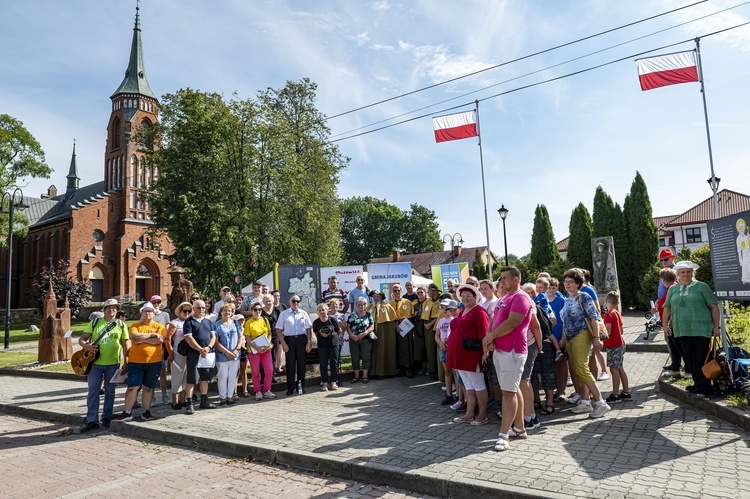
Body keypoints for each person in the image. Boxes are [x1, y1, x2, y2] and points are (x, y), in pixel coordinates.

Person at [483, 266, 535, 451]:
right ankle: (519, 428)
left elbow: (513, 322)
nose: (502, 281)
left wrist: (490, 336)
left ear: (516, 279)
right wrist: (491, 339)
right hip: (501, 350)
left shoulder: (520, 297)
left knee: (508, 393)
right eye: (501, 278)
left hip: (513, 351)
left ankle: (503, 435)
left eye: (505, 278)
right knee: (512, 389)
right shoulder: (505, 298)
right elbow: (495, 321)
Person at [661, 260, 721, 398]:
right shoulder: (673, 289)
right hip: (681, 329)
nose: (686, 274)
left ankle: (705, 387)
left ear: (692, 273)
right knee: (689, 359)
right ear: (678, 274)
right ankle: (697, 384)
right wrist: (665, 326)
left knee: (701, 358)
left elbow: (713, 306)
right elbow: (667, 308)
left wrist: (716, 327)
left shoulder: (701, 287)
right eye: (683, 272)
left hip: (701, 328)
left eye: (688, 271)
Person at [559, 269, 611, 418]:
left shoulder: (584, 296)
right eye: (566, 281)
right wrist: (563, 339)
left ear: (578, 283)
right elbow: (565, 321)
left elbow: (594, 317)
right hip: (569, 337)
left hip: (581, 335)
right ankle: (585, 402)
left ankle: (600, 402)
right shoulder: (567, 299)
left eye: (571, 282)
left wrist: (596, 338)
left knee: (582, 367)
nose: (567, 284)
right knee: (576, 369)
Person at [78, 299, 129, 432]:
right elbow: (82, 339)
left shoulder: (121, 325)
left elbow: (125, 344)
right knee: (93, 391)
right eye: (109, 307)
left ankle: (106, 417)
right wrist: (86, 345)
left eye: (114, 308)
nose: (111, 310)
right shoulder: (95, 322)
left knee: (110, 391)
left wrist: (126, 361)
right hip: (94, 363)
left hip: (113, 363)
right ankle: (92, 420)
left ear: (117, 310)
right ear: (104, 309)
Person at [114, 302, 166, 422]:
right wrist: (152, 335)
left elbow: (159, 341)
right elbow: (134, 336)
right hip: (135, 362)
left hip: (154, 361)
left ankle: (146, 412)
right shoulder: (135, 325)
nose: (148, 313)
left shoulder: (159, 326)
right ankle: (127, 412)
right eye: (145, 311)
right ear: (141, 312)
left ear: (154, 313)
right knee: (133, 387)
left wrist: (141, 340)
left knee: (148, 388)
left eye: (150, 311)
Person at [446, 283, 489, 425]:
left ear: (475, 297)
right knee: (468, 386)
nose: (465, 298)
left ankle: (482, 415)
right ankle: (469, 413)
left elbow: (484, 334)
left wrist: (485, 352)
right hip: (459, 355)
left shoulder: (479, 311)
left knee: (478, 385)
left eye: (468, 296)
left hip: (471, 355)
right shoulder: (463, 311)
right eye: (463, 296)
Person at [182, 299, 217, 414]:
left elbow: (213, 337)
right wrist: (200, 349)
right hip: (194, 354)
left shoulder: (208, 321)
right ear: (193, 308)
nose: (202, 310)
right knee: (192, 379)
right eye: (199, 308)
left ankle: (204, 401)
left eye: (203, 308)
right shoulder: (189, 322)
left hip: (206, 354)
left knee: (205, 378)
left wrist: (208, 348)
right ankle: (190, 403)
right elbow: (188, 338)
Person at [655, 249, 685, 377]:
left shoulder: (677, 272)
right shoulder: (664, 272)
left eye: (666, 259)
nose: (663, 262)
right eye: (661, 260)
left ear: (673, 258)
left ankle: (678, 365)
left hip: (672, 312)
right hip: (664, 309)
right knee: (669, 340)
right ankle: (675, 363)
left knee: (674, 340)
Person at [276, 294, 313, 395]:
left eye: (298, 301)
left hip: (302, 339)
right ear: (289, 302)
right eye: (294, 301)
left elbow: (309, 329)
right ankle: (290, 387)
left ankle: (300, 387)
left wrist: (309, 342)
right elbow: (278, 329)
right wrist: (283, 343)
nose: (296, 303)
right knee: (290, 365)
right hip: (289, 340)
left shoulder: (304, 313)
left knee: (301, 365)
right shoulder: (284, 314)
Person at [602, 291, 631, 403]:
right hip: (621, 344)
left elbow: (607, 332)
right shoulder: (617, 313)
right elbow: (621, 330)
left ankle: (615, 394)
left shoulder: (608, 315)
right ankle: (626, 392)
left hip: (613, 345)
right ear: (617, 303)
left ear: (606, 302)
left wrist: (600, 336)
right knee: (620, 368)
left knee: (614, 370)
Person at [213, 303, 244, 406]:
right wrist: (226, 352)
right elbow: (216, 342)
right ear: (221, 312)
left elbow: (240, 337)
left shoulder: (235, 323)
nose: (227, 313)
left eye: (229, 311)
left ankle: (230, 397)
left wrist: (237, 350)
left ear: (231, 313)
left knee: (232, 376)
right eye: (224, 311)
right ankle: (222, 398)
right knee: (223, 376)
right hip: (222, 356)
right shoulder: (216, 325)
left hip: (235, 355)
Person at [245, 302, 276, 400]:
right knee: (255, 372)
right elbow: (247, 338)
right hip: (253, 351)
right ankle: (258, 391)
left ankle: (267, 390)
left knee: (269, 370)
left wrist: (268, 343)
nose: (258, 311)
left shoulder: (265, 320)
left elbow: (270, 333)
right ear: (252, 311)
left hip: (265, 350)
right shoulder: (248, 322)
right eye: (255, 310)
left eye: (259, 309)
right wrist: (256, 347)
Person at [166, 301, 191, 409]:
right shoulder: (175, 322)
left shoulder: (191, 322)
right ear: (180, 311)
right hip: (177, 353)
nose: (187, 313)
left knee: (186, 378)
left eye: (189, 311)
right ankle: (174, 401)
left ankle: (182, 399)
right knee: (177, 377)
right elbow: (168, 338)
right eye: (184, 311)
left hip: (189, 353)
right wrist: (170, 352)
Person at [369, 291, 398, 377]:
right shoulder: (370, 306)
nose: (376, 298)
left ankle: (388, 371)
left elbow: (393, 319)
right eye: (374, 296)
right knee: (374, 351)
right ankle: (374, 372)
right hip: (372, 331)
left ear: (381, 297)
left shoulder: (387, 306)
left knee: (385, 349)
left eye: (378, 296)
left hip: (385, 333)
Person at [657, 268, 679, 376]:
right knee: (672, 345)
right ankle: (675, 365)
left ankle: (676, 368)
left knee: (674, 346)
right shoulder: (671, 288)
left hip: (671, 323)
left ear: (663, 279)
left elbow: (666, 305)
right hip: (669, 322)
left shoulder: (672, 288)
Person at [314, 303, 341, 391]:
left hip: (333, 345)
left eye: (323, 310)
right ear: (318, 312)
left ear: (327, 310)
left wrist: (333, 338)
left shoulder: (333, 320)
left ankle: (333, 382)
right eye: (320, 310)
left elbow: (339, 331)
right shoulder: (316, 322)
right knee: (323, 364)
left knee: (334, 364)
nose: (322, 312)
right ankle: (324, 383)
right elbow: (316, 332)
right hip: (322, 346)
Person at [347, 297, 375, 383]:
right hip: (354, 340)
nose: (360, 306)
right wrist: (352, 335)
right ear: (356, 305)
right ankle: (356, 376)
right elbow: (348, 328)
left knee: (365, 357)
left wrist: (364, 333)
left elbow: (372, 326)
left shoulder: (368, 315)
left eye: (362, 305)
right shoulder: (351, 315)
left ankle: (365, 376)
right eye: (359, 305)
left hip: (365, 339)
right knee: (355, 358)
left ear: (365, 305)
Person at [150, 295, 171, 406]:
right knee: (152, 372)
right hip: (151, 345)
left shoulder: (165, 315)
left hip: (162, 345)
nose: (156, 304)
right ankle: (152, 397)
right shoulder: (148, 314)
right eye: (154, 302)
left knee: (163, 371)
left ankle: (164, 395)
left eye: (158, 302)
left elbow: (167, 329)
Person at [436, 299, 457, 405]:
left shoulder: (454, 319)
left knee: (455, 372)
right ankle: (449, 395)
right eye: (442, 307)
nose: (444, 309)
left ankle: (458, 395)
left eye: (446, 307)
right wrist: (440, 343)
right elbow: (437, 335)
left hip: (451, 348)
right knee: (447, 371)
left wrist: (446, 342)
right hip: (443, 348)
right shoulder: (440, 321)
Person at [392, 284, 416, 377]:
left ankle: (408, 367)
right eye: (395, 291)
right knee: (397, 347)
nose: (397, 292)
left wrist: (402, 326)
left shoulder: (407, 302)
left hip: (406, 326)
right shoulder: (390, 304)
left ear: (401, 291)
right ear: (393, 292)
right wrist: (396, 326)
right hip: (395, 327)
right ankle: (400, 367)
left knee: (406, 347)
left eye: (398, 290)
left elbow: (411, 315)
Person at [420, 284, 442, 377]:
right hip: (427, 326)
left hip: (434, 325)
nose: (428, 292)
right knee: (428, 349)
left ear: (434, 291)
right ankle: (431, 369)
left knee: (433, 349)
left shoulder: (440, 302)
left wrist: (430, 324)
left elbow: (438, 316)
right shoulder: (427, 301)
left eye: (429, 290)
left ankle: (435, 371)